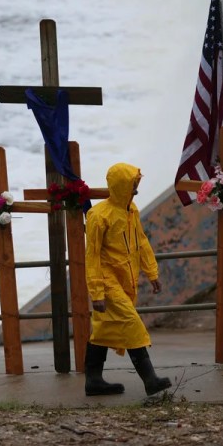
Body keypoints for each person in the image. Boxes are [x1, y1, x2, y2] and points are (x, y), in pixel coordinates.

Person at [84, 162, 172, 396]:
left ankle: (93, 381)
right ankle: (150, 379)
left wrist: (151, 272)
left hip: (125, 280)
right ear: (121, 185)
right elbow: (91, 256)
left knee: (103, 329)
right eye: (133, 184)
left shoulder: (131, 210)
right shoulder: (98, 215)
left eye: (137, 184)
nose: (136, 189)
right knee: (132, 322)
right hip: (106, 281)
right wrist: (97, 292)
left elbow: (141, 242)